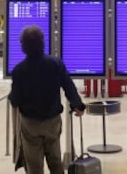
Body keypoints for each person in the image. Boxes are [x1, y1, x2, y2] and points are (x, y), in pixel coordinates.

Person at [8, 25, 86, 174]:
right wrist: (78, 105)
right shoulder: (55, 63)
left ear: (23, 46)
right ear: (42, 43)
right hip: (52, 121)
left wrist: (13, 97)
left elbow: (15, 100)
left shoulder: (19, 70)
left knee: (34, 164)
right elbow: (68, 86)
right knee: (55, 159)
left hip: (30, 123)